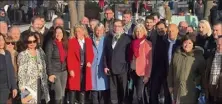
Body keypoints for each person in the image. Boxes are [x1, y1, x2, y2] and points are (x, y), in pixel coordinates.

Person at [168, 34, 205, 104]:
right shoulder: (176, 54)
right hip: (176, 90)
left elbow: (203, 74)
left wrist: (195, 82)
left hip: (190, 91)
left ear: (193, 44)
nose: (187, 45)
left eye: (190, 43)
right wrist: (170, 85)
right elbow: (171, 71)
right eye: (185, 42)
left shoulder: (198, 57)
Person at [104, 19, 131, 104]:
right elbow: (105, 53)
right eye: (115, 26)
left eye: (119, 26)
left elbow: (129, 55)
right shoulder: (108, 38)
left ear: (122, 27)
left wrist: (127, 67)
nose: (116, 28)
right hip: (111, 69)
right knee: (114, 92)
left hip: (122, 69)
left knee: (123, 92)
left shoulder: (127, 38)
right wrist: (105, 66)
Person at [17, 32, 50, 103]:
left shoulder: (40, 51)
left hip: (42, 83)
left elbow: (45, 66)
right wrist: (23, 90)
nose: (32, 43)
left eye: (34, 41)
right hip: (29, 87)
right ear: (26, 42)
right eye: (29, 42)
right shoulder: (22, 55)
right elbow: (21, 73)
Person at [67, 24, 94, 104]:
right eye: (76, 32)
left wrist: (89, 61)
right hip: (75, 68)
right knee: (73, 89)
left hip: (85, 69)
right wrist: (70, 69)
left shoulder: (88, 41)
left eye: (79, 31)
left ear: (83, 31)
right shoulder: (72, 41)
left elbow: (91, 53)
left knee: (83, 88)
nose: (77, 33)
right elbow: (69, 57)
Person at [128, 24, 152, 104]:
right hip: (132, 71)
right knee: (130, 92)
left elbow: (149, 61)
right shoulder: (132, 43)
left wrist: (147, 75)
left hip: (142, 73)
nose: (138, 33)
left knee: (139, 95)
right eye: (137, 31)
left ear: (144, 32)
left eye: (140, 31)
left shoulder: (147, 44)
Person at [45, 26, 68, 104]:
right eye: (57, 32)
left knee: (63, 92)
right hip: (55, 72)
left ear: (63, 34)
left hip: (64, 71)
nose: (59, 34)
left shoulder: (64, 43)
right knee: (58, 93)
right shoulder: (50, 43)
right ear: (54, 34)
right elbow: (48, 59)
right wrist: (50, 73)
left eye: (60, 32)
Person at [91, 23, 109, 104]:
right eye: (97, 30)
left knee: (103, 89)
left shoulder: (106, 40)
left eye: (101, 30)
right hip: (92, 67)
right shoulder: (90, 40)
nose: (98, 32)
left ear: (103, 31)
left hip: (103, 66)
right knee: (93, 89)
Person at [0, 34, 17, 104]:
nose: (0, 42)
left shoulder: (7, 54)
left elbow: (11, 71)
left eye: (2, 40)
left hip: (5, 87)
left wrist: (14, 87)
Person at [204, 37, 222, 103]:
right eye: (218, 44)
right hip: (211, 93)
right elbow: (206, 74)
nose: (220, 47)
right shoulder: (211, 57)